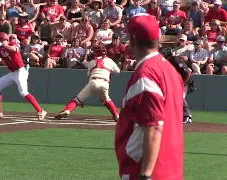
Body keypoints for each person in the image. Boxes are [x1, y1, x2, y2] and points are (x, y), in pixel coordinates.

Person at [115, 14, 184, 180]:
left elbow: (153, 127)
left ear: (132, 41)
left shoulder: (146, 74)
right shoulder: (169, 69)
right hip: (171, 170)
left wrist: (145, 175)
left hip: (148, 171)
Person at [0, 32, 47, 121]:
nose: (3, 42)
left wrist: (2, 45)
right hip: (13, 73)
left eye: (3, 40)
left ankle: (41, 111)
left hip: (20, 71)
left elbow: (14, 50)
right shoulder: (1, 48)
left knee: (23, 92)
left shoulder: (12, 44)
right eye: (1, 41)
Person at [54, 44, 120, 121]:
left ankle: (67, 110)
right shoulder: (109, 61)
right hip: (104, 83)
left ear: (97, 53)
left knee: (77, 99)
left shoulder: (92, 62)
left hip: (93, 82)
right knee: (107, 99)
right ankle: (116, 115)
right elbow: (118, 71)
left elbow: (89, 75)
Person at [159, 45, 194, 124]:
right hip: (176, 81)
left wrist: (182, 83)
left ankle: (187, 116)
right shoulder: (168, 61)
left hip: (186, 80)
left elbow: (188, 71)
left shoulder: (175, 60)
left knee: (180, 96)